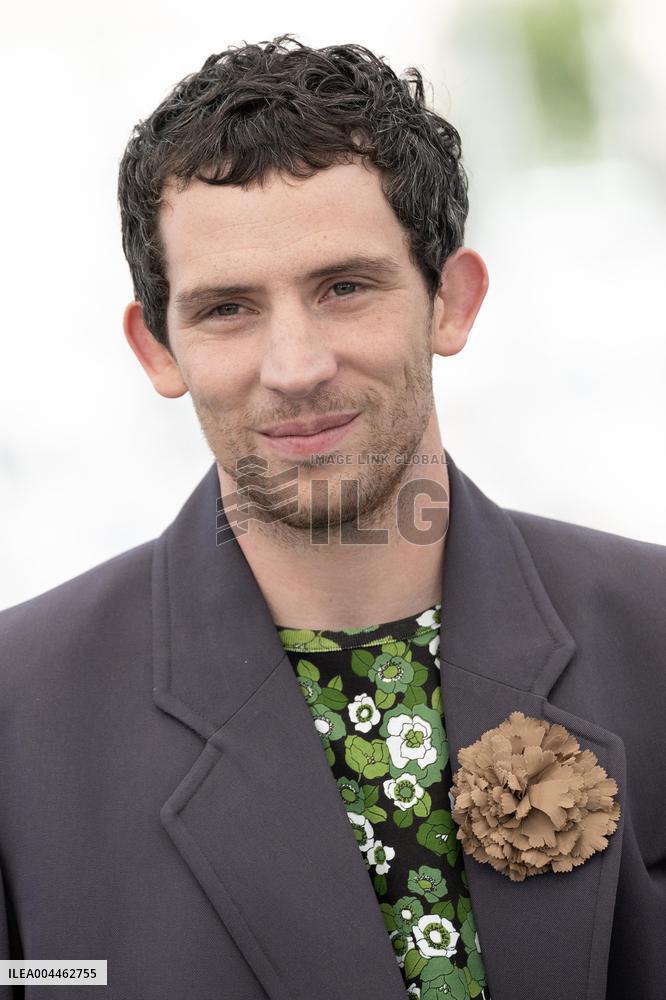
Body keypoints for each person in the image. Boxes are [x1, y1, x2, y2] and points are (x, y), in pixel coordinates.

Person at [0, 34, 663, 1000]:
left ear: (453, 301)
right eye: (228, 308)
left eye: (345, 287)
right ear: (158, 348)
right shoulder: (17, 721)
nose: (297, 364)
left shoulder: (655, 636)